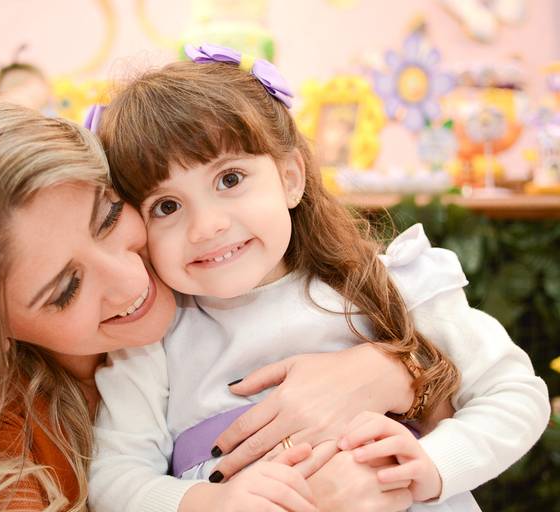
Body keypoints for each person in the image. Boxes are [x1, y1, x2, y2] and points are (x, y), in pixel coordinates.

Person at [0, 94, 428, 511]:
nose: (130, 277)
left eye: (109, 216)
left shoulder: (214, 268)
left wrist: (397, 371)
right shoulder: (2, 472)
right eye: (66, 289)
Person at [88, 44, 550, 512]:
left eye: (230, 179)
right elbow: (114, 475)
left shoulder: (389, 284)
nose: (207, 226)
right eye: (167, 206)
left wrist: (431, 465)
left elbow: (513, 393)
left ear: (290, 177)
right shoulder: (152, 339)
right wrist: (209, 501)